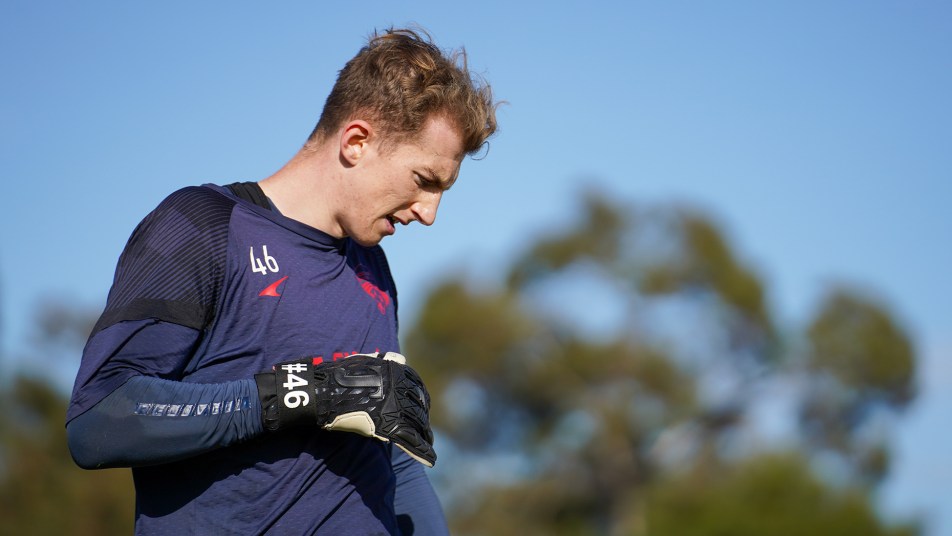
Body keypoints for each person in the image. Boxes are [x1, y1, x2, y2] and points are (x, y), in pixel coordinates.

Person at [66, 27, 498, 535]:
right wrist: (297, 394)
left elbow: (390, 457)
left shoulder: (373, 270)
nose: (429, 213)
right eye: (425, 181)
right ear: (357, 141)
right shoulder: (203, 225)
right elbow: (98, 422)